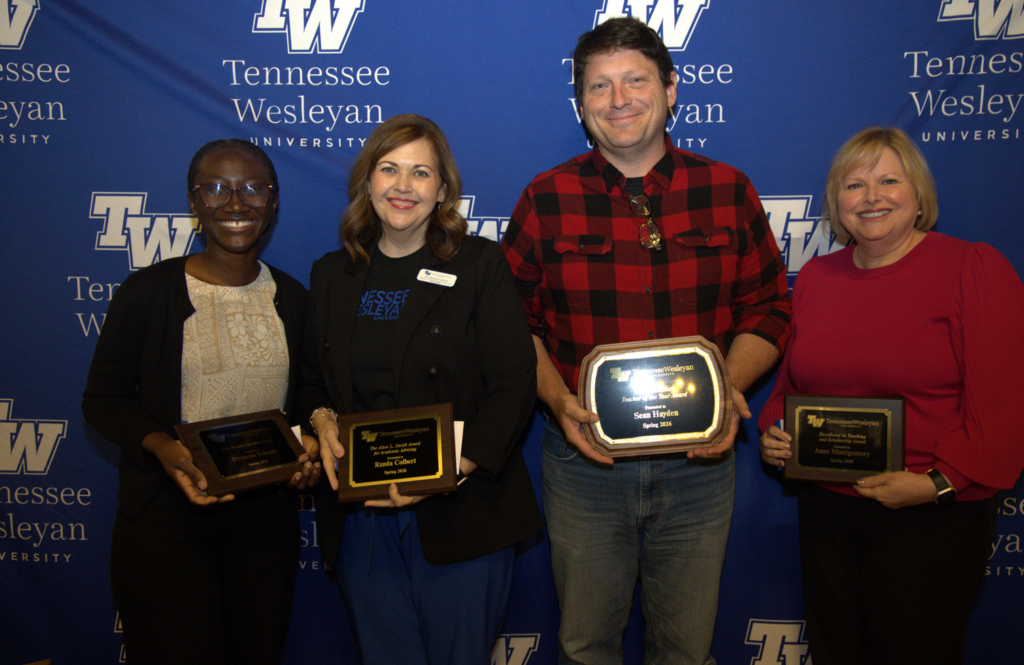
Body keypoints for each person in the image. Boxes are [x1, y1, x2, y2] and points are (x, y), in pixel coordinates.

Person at [501, 17, 792, 665]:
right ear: (581, 105)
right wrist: (558, 404)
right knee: (584, 646)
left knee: (686, 649)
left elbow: (770, 308)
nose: (618, 99)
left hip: (700, 463)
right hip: (584, 463)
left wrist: (726, 393)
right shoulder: (545, 199)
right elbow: (513, 328)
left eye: (635, 80)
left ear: (672, 89)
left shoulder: (728, 190)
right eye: (598, 87)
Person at [758, 127, 1024, 665]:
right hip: (829, 510)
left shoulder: (971, 267)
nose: (872, 196)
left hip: (930, 518)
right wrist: (775, 435)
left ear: (919, 195)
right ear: (838, 202)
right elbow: (793, 384)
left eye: (888, 181)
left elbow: (1005, 408)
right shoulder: (815, 277)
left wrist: (935, 485)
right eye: (855, 185)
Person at [303, 114, 542, 665]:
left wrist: (450, 470)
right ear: (367, 182)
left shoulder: (479, 264)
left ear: (442, 190)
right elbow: (312, 381)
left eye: (420, 172)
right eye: (389, 169)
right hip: (362, 516)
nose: (403, 186)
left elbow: (514, 381)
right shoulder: (330, 275)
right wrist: (320, 421)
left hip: (461, 508)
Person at [82, 139, 320, 665]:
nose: (236, 203)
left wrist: (307, 458)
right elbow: (104, 400)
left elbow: (305, 405)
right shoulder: (146, 293)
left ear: (274, 201)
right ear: (194, 201)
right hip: (165, 525)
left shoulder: (294, 299)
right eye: (216, 188)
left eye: (254, 188)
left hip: (264, 528)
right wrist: (164, 447)